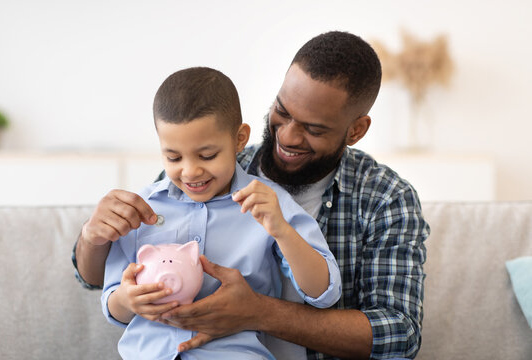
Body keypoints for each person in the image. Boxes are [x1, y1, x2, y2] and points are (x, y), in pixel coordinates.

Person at [73, 30, 430, 359]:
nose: (288, 136)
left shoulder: (385, 198)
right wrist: (92, 236)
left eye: (314, 128)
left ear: (356, 130)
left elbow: (400, 334)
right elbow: (97, 279)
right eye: (282, 111)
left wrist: (259, 312)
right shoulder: (197, 168)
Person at [99, 66, 341, 359]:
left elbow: (323, 292)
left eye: (207, 155)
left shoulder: (268, 202)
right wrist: (128, 300)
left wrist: (282, 230)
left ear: (239, 139)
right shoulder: (142, 207)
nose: (190, 171)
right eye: (173, 157)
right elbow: (112, 303)